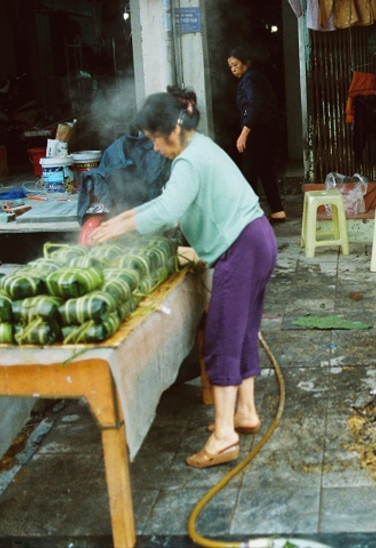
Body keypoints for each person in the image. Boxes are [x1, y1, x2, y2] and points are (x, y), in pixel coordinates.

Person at [90, 88, 277, 468]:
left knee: (223, 336)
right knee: (241, 330)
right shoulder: (201, 147)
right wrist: (120, 221)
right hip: (258, 240)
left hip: (240, 249)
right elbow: (164, 206)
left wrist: (121, 228)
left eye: (155, 139)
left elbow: (167, 211)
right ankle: (245, 412)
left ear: (172, 130)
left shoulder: (189, 161)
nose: (155, 148)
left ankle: (224, 436)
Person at [227, 46, 287, 224]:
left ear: (246, 63)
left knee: (249, 173)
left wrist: (244, 133)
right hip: (267, 131)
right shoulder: (255, 77)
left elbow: (254, 105)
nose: (233, 70)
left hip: (257, 132)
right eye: (230, 66)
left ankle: (250, 216)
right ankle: (277, 211)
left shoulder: (250, 79)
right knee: (266, 171)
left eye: (235, 65)